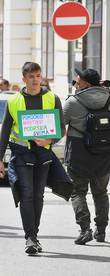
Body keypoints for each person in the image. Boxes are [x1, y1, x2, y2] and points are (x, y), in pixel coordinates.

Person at [0, 62, 66, 255]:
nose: (36, 80)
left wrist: (49, 140)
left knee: (38, 196)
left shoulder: (52, 98)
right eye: (32, 76)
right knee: (26, 195)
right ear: (24, 79)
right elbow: (5, 131)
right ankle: (30, 237)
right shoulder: (14, 101)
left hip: (43, 154)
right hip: (21, 153)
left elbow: (61, 128)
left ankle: (34, 234)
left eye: (38, 76)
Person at [63, 68, 110, 244]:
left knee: (77, 192)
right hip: (104, 154)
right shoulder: (109, 98)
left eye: (78, 80)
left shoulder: (73, 102)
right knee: (101, 193)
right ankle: (101, 231)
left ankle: (85, 229)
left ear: (87, 84)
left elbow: (59, 126)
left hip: (78, 155)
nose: (75, 82)